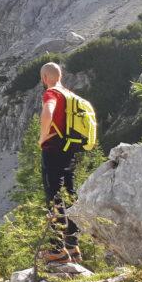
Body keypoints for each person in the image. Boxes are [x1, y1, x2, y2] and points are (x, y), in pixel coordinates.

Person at [37, 62, 82, 264]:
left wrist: (43, 136)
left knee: (54, 196)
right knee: (69, 193)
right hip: (70, 150)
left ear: (45, 78)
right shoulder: (70, 94)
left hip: (53, 150)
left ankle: (57, 249)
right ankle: (73, 246)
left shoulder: (52, 93)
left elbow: (48, 112)